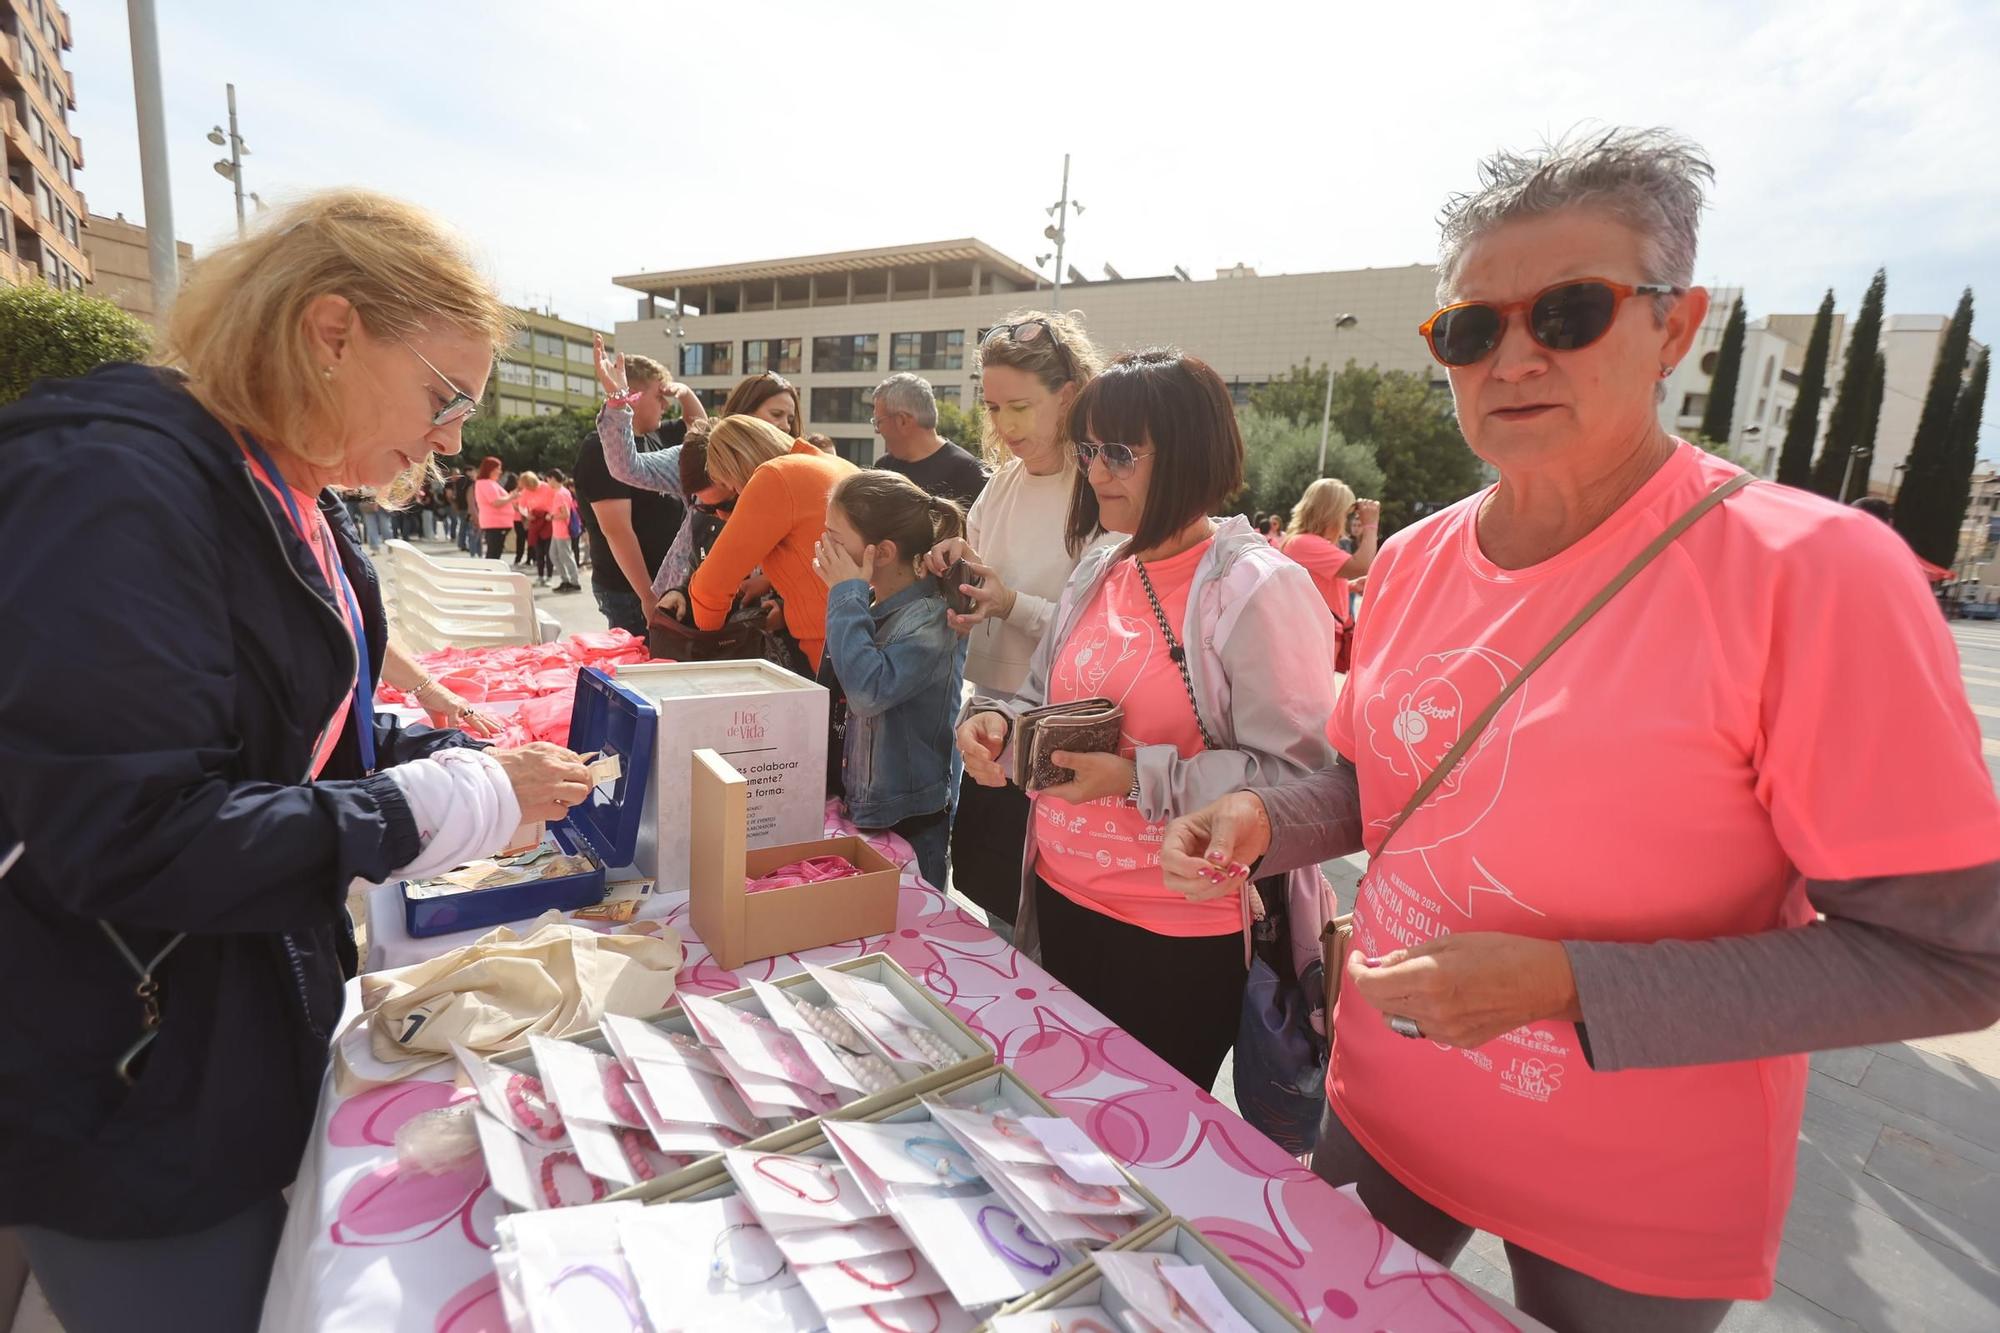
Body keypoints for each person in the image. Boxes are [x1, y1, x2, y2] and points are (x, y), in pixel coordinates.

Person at [1160, 129, 2000, 1332]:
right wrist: (1262, 818)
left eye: (1566, 311)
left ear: (1675, 326)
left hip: (1634, 1182)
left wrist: (1560, 985)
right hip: (1388, 1099)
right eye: (1468, 328)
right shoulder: (1405, 559)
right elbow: (1382, 785)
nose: (1510, 357)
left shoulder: (1812, 571)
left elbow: (1945, 958)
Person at [0, 189, 595, 1333]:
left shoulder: (280, 489)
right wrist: (439, 802)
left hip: (213, 1037)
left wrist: (449, 754)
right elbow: (133, 831)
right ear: (331, 333)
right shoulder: (113, 486)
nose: (451, 438)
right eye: (443, 395)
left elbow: (303, 737)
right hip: (123, 1087)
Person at [955, 348, 1341, 1089]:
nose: (1096, 471)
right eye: (1091, 449)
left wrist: (1136, 777)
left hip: (1174, 933)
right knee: (1057, 1118)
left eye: (1121, 453)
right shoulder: (1099, 565)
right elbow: (1041, 694)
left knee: (1141, 1157)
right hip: (1058, 899)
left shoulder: (1256, 585)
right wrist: (1002, 726)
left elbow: (1298, 780)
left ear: (1192, 454)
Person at [921, 312, 1106, 928]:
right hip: (993, 725)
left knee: (1045, 926)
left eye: (1019, 406)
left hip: (1068, 741)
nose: (1003, 425)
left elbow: (1113, 634)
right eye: (993, 407)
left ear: (1070, 395)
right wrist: (962, 569)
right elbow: (991, 568)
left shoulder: (1105, 485)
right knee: (991, 895)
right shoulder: (1002, 481)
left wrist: (1008, 603)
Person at [814, 471, 969, 887]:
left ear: (881, 552)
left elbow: (868, 690)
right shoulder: (865, 601)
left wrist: (844, 594)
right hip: (859, 809)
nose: (823, 545)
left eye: (834, 536)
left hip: (908, 823)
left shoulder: (931, 618)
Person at [690, 415, 857, 671]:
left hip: (836, 650)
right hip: (871, 635)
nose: (736, 495)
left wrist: (710, 641)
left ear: (737, 466)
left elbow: (708, 590)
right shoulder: (833, 464)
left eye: (730, 485)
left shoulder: (775, 476)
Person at [573, 341, 702, 635]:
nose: (666, 404)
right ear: (634, 396)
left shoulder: (657, 436)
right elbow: (617, 531)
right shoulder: (600, 449)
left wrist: (686, 394)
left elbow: (702, 440)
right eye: (660, 395)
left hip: (664, 583)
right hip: (628, 590)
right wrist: (647, 595)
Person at [870, 372, 988, 510]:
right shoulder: (884, 467)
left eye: (879, 422)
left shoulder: (970, 474)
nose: (877, 431)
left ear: (902, 421)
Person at [1276, 477, 1379, 626]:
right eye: (1345, 515)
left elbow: (1313, 585)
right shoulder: (1304, 543)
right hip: (1317, 637)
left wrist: (1349, 585)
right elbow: (1362, 566)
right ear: (1332, 515)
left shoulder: (1301, 541)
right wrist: (1370, 526)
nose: (1346, 521)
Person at [543, 467, 583, 592]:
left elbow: (565, 514)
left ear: (553, 479)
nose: (547, 482)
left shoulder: (560, 494)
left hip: (562, 531)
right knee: (554, 555)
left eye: (548, 480)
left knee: (564, 556)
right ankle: (566, 580)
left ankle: (574, 582)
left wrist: (551, 516)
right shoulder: (563, 491)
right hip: (558, 531)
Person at [515, 470, 554, 584]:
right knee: (539, 551)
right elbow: (521, 506)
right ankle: (540, 575)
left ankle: (549, 576)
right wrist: (528, 514)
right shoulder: (526, 491)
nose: (527, 488)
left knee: (549, 551)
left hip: (547, 520)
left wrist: (550, 514)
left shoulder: (547, 487)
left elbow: (555, 502)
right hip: (535, 521)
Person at [471, 455, 514, 559]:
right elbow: (495, 502)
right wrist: (512, 497)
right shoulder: (485, 483)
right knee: (494, 553)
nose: (500, 471)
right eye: (498, 469)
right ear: (490, 469)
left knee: (495, 551)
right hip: (495, 523)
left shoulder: (490, 483)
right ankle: (490, 572)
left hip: (498, 523)